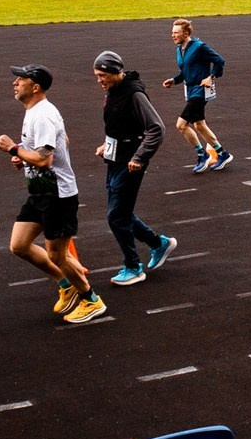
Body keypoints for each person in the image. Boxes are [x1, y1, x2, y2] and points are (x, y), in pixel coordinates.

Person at [0, 64, 102, 324]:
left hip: (58, 195)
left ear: (36, 87)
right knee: (19, 245)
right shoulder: (36, 111)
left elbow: (44, 159)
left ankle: (91, 300)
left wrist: (13, 150)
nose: (15, 83)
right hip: (40, 191)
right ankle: (66, 285)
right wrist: (23, 154)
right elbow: (62, 141)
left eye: (21, 79)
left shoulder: (42, 114)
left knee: (57, 254)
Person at [93, 49, 174, 286]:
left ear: (116, 72)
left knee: (116, 216)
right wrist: (106, 145)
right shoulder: (114, 90)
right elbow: (122, 125)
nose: (99, 80)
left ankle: (133, 266)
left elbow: (156, 128)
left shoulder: (134, 94)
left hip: (130, 163)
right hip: (115, 158)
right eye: (97, 75)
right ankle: (159, 244)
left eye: (102, 75)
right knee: (121, 212)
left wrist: (139, 157)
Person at [164, 19, 231, 173]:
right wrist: (174, 80)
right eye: (172, 32)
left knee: (181, 125)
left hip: (200, 91)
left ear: (186, 33)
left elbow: (220, 61)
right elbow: (186, 71)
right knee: (199, 125)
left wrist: (211, 77)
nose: (172, 35)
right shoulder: (179, 49)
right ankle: (222, 153)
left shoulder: (199, 47)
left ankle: (202, 155)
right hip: (190, 90)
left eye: (176, 33)